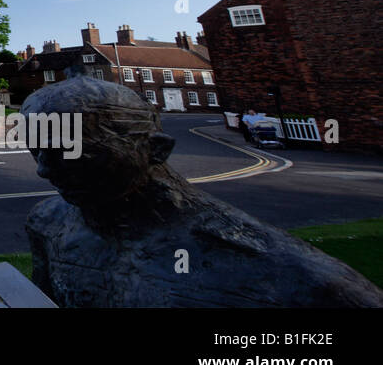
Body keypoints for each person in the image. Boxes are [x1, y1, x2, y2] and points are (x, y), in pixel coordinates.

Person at [21, 72, 383, 307]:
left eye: (73, 151)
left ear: (156, 150)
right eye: (36, 151)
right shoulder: (48, 224)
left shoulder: (296, 278)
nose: (43, 170)